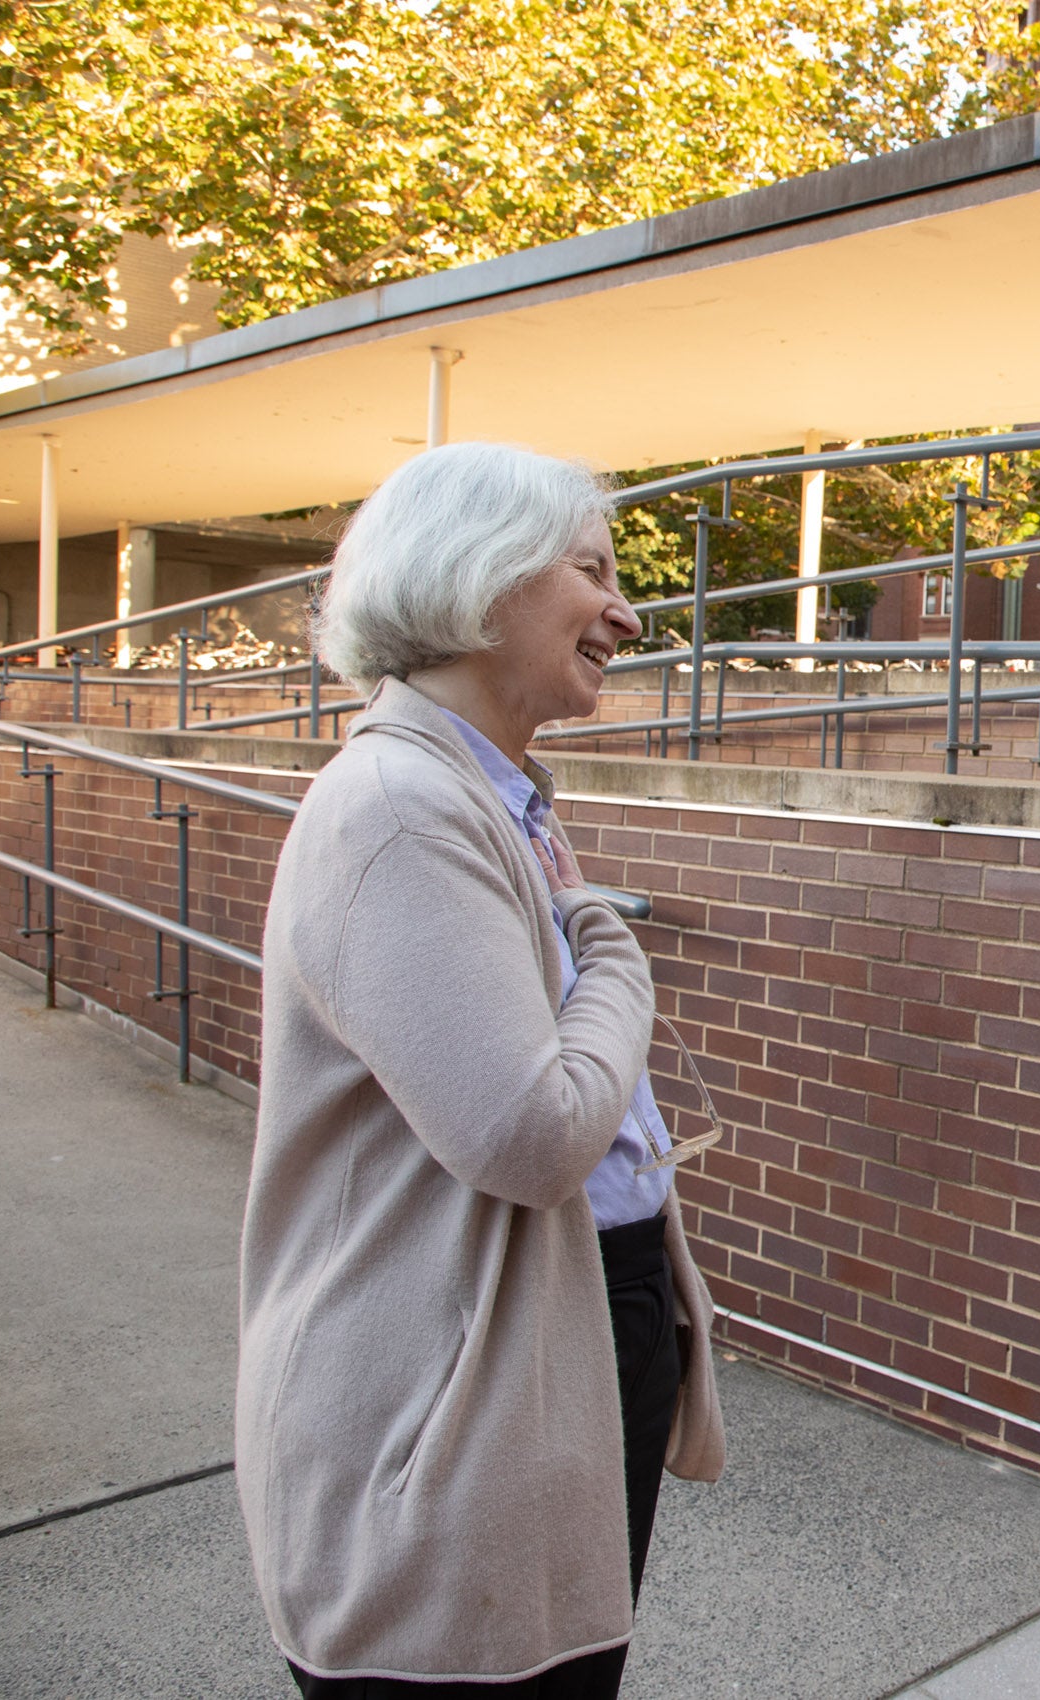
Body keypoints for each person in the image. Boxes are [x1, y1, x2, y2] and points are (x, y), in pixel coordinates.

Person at [237, 443, 726, 1697]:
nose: (627, 611)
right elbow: (533, 1132)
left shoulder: (493, 792)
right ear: (480, 578)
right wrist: (616, 945)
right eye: (592, 570)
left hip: (550, 1348)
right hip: (448, 1415)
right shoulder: (401, 805)